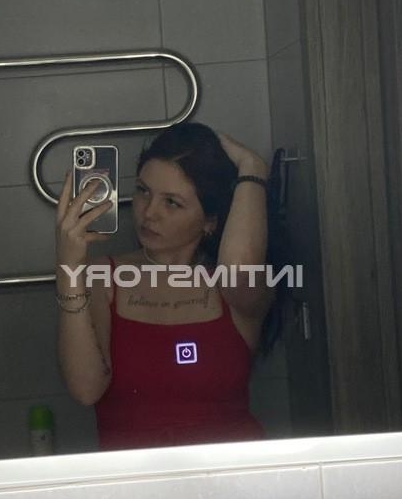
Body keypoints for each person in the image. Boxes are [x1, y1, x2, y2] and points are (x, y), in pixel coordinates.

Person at [55, 123, 283, 450]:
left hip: (232, 471)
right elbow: (85, 389)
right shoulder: (102, 276)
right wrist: (69, 266)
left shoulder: (232, 286)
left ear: (210, 221)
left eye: (172, 202)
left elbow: (239, 267)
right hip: (135, 476)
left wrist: (252, 167)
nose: (149, 213)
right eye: (143, 191)